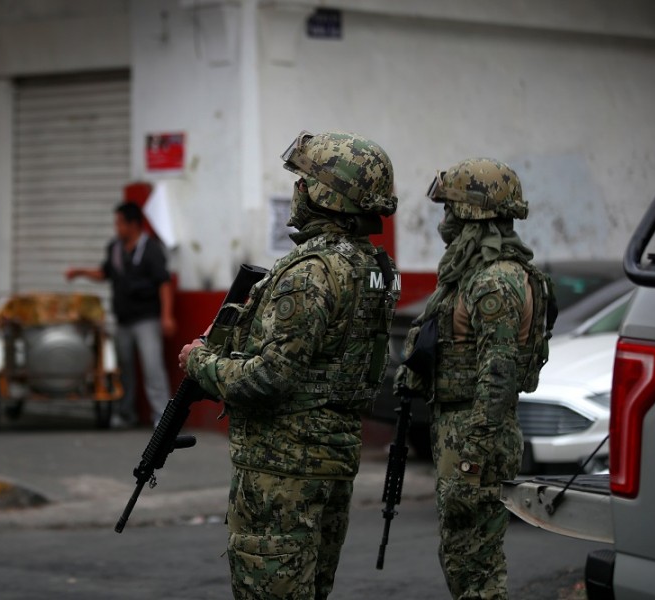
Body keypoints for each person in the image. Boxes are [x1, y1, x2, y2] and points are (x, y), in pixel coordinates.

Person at [178, 130, 400, 599]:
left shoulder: (310, 272)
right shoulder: (375, 268)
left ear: (325, 194)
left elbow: (269, 377)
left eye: (304, 181)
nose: (296, 190)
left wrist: (201, 362)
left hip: (283, 471)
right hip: (331, 459)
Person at [393, 158, 556, 599]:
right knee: (462, 558)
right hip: (460, 429)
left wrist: (474, 454)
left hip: (475, 434)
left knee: (476, 566)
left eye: (451, 209)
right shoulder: (471, 272)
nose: (444, 221)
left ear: (473, 213)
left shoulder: (495, 281)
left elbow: (497, 372)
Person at [65, 201, 176, 427]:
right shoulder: (114, 248)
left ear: (133, 224)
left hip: (146, 319)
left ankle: (162, 417)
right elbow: (104, 273)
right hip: (123, 320)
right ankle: (126, 413)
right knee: (123, 368)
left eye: (119, 223)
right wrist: (80, 272)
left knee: (152, 367)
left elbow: (164, 284)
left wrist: (167, 316)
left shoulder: (151, 250)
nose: (116, 227)